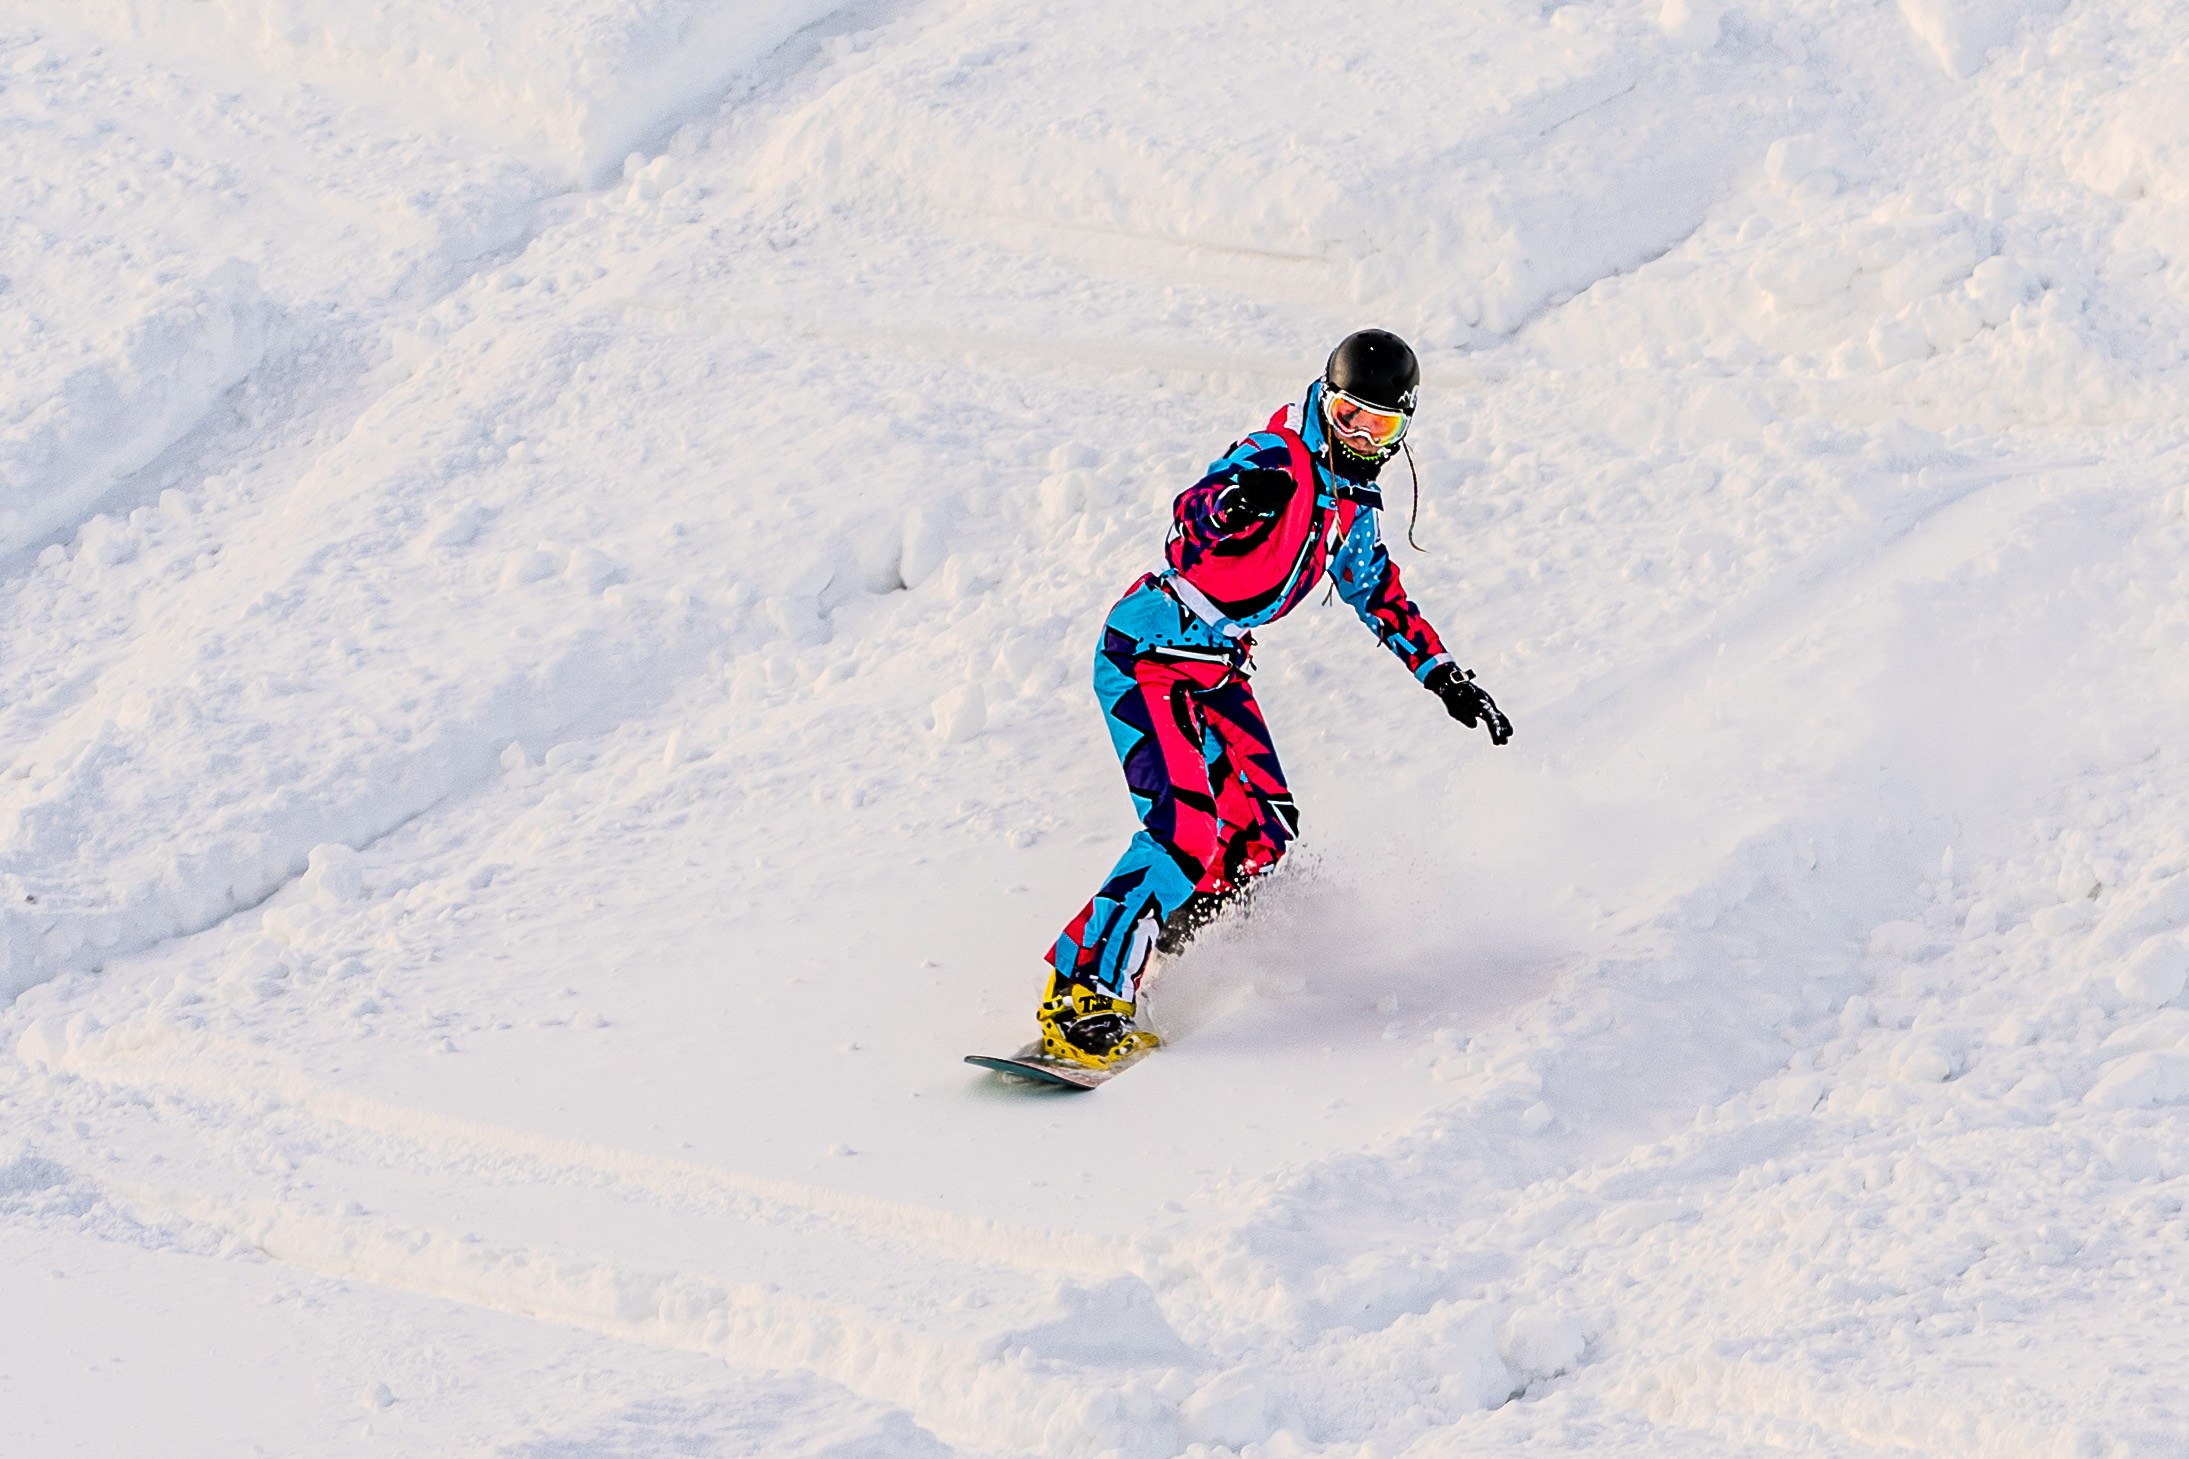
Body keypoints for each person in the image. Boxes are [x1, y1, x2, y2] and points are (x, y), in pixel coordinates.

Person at [1035, 328, 1514, 1069]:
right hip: (1147, 657)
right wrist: (1232, 504)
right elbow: (1187, 522)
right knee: (1182, 828)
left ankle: (1165, 943)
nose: (1359, 436)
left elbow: (1377, 592)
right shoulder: (1278, 457)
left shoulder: (1352, 504)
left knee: (1262, 826)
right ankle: (1082, 994)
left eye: (1379, 426)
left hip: (1214, 667)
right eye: (1349, 416)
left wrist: (1444, 676)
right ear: (1327, 399)